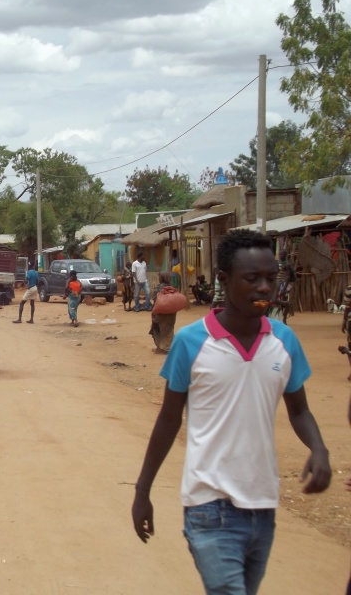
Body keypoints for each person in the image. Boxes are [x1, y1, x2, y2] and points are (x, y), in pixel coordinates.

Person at [131, 229, 331, 595]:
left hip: (263, 506)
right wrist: (142, 491)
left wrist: (319, 448)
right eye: (252, 279)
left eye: (271, 278)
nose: (264, 288)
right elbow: (168, 420)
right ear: (224, 280)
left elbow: (299, 410)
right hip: (209, 507)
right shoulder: (191, 343)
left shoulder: (284, 342)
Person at [148, 271, 177, 353]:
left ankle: (161, 348)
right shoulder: (172, 288)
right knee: (169, 330)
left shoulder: (158, 289)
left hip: (160, 314)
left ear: (161, 279)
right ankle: (169, 347)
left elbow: (155, 300)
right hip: (171, 314)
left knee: (157, 330)